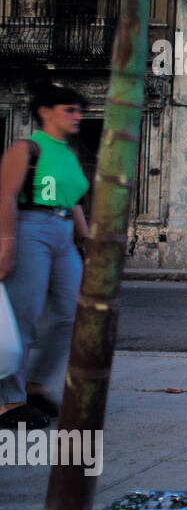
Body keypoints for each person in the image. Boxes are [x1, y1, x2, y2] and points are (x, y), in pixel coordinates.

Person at [0, 80, 91, 429]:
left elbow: (74, 200)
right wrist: (8, 245)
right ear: (45, 112)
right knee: (24, 318)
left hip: (63, 231)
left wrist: (88, 240)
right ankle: (9, 403)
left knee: (72, 313)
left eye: (80, 110)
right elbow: (5, 196)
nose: (77, 116)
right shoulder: (26, 149)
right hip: (29, 228)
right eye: (70, 109)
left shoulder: (68, 154)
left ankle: (35, 386)